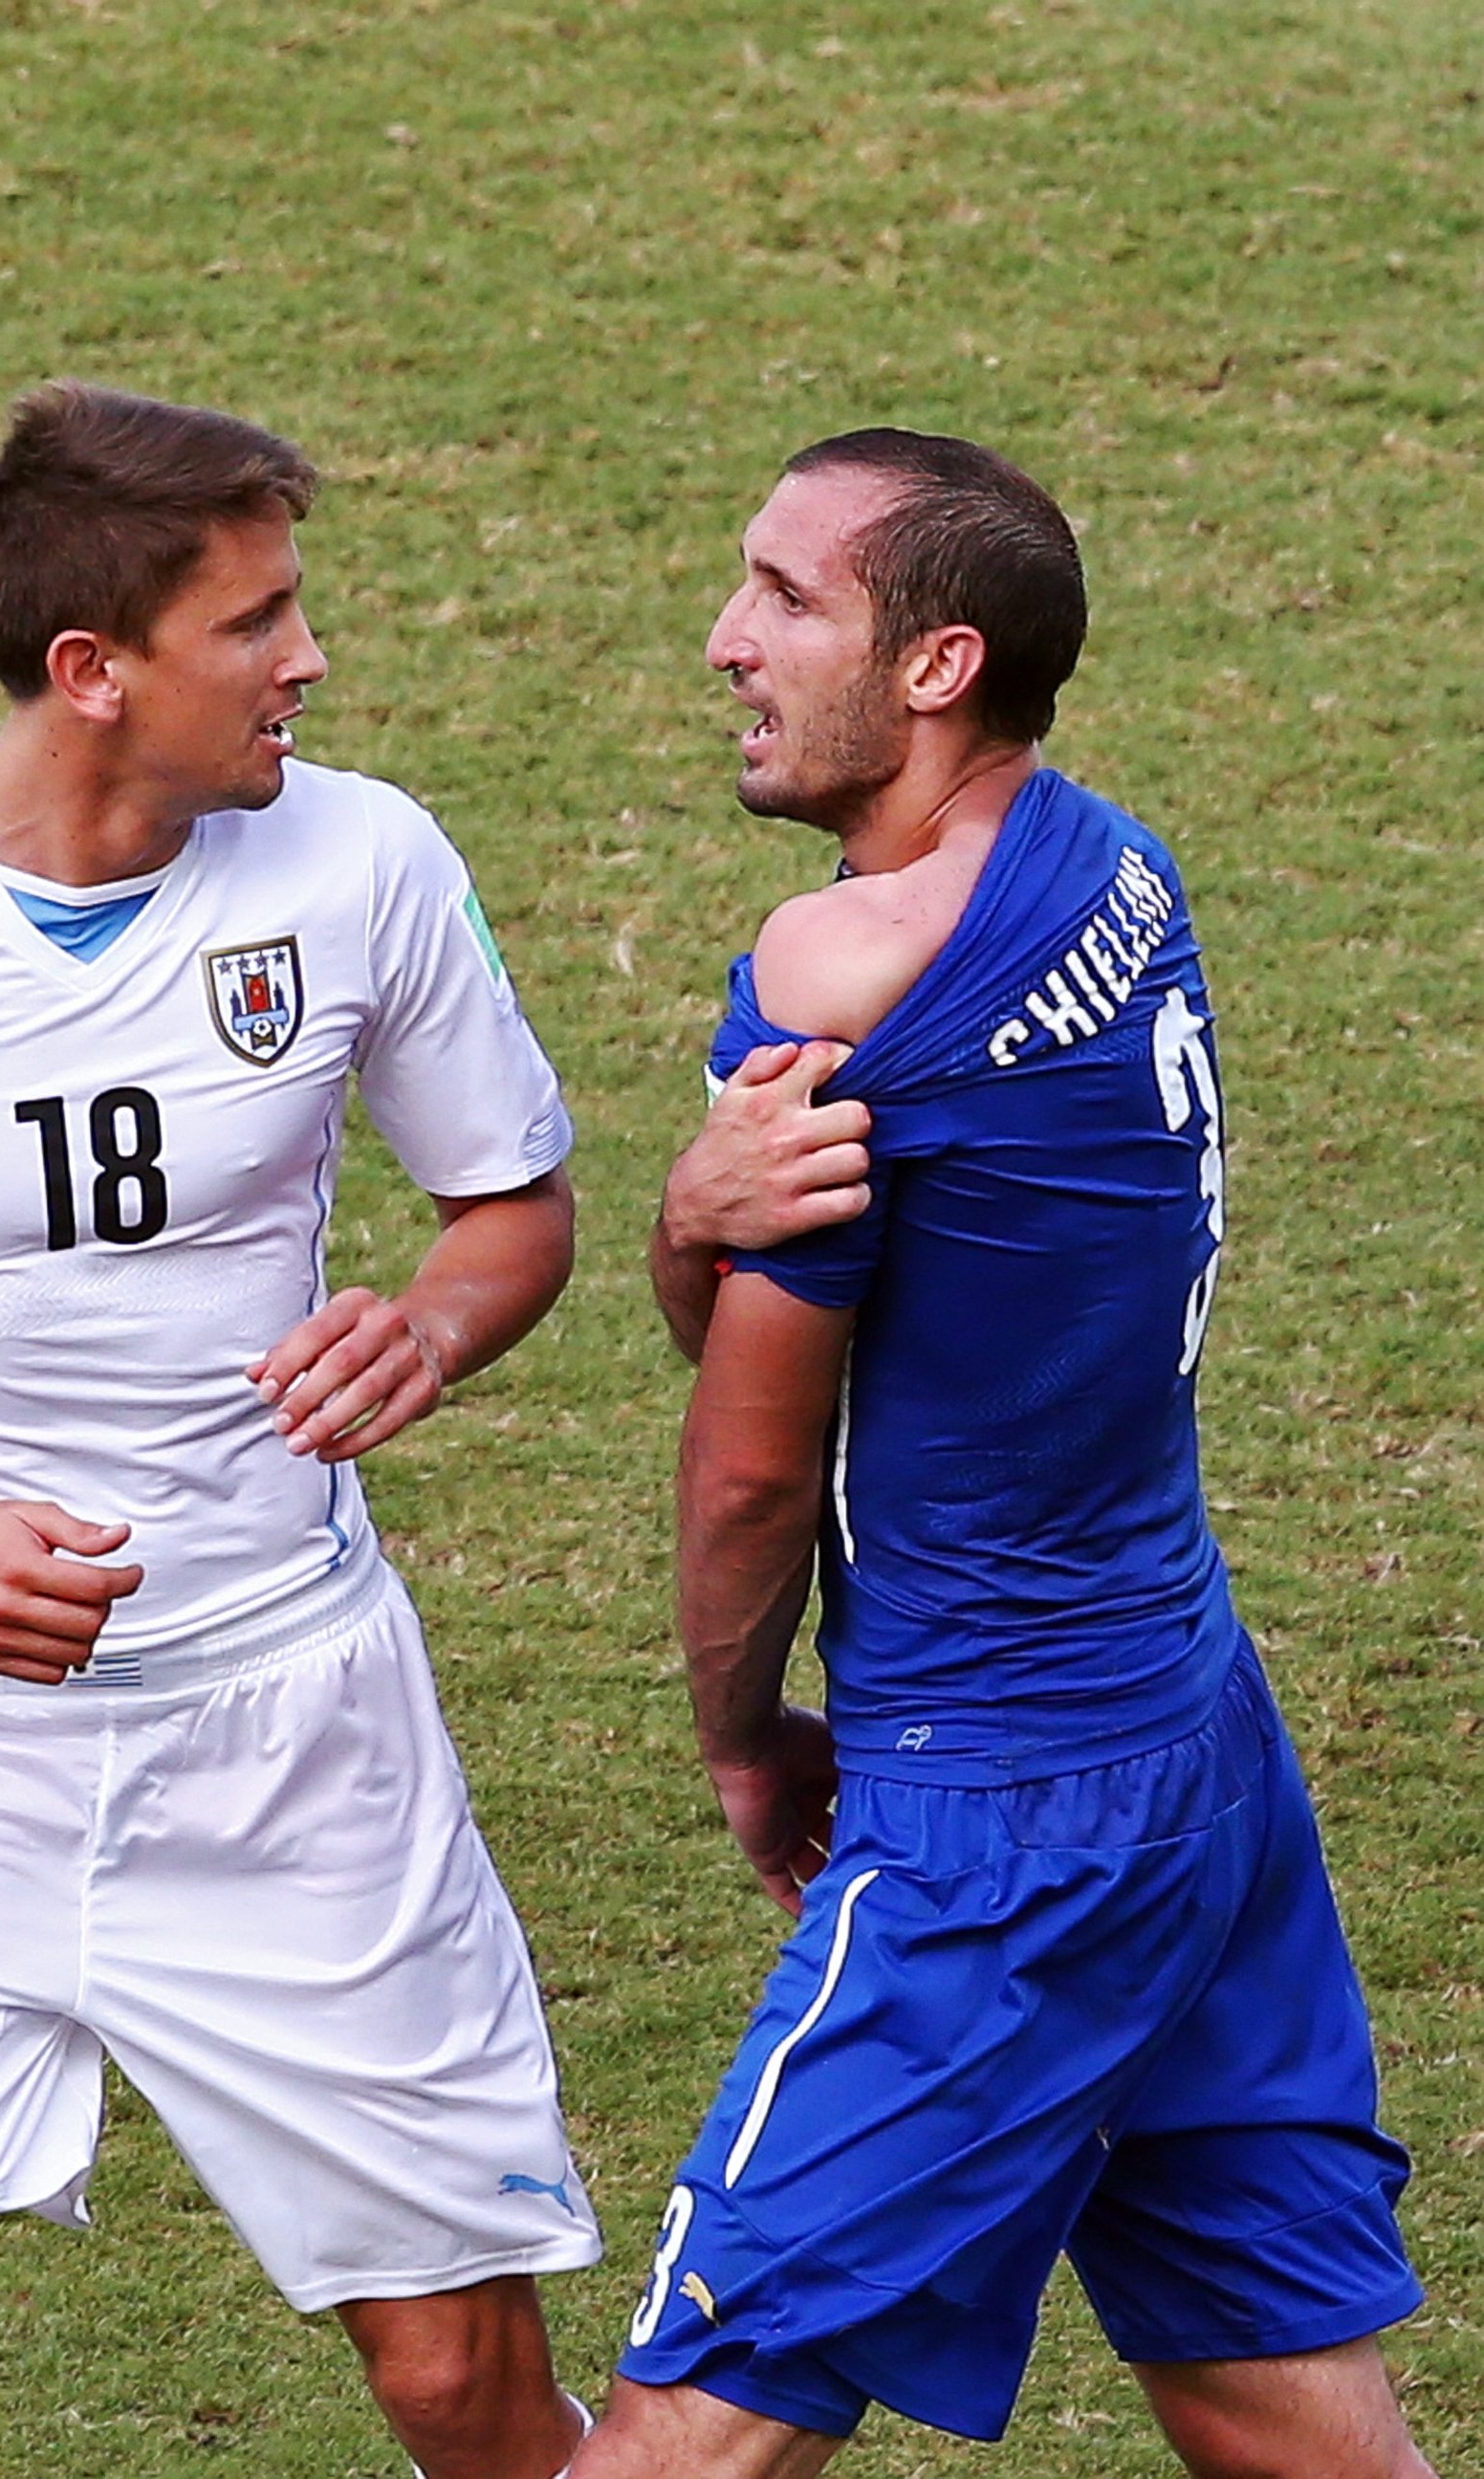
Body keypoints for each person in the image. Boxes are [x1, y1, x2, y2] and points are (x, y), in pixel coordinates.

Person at [0, 381, 600, 2479]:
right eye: (255, 625)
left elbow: (511, 1210)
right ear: (94, 673)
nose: (308, 663)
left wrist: (434, 1322)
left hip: (294, 1739)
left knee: (460, 2386)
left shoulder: (361, 862)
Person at [571, 430, 1436, 2479]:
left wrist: (734, 1727)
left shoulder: (840, 977)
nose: (726, 641)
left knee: (683, 2427)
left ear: (938, 662)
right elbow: (811, 1289)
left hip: (1001, 1824)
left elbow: (753, 1460)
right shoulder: (1120, 870)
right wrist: (703, 1213)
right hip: (1191, 1739)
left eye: (788, 599)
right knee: (1265, 2389)